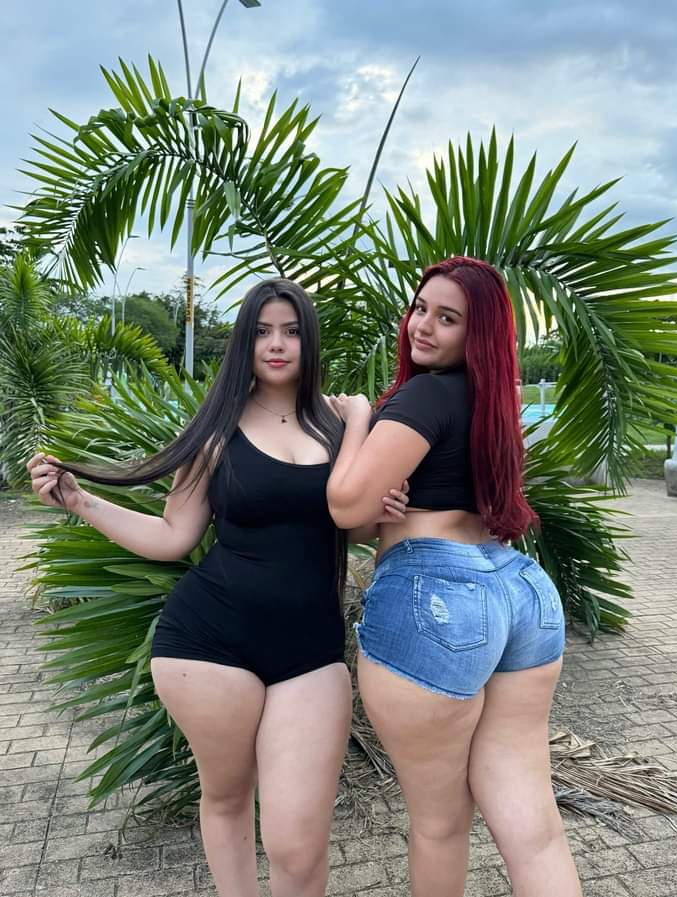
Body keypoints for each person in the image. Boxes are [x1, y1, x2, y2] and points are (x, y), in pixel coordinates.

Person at [27, 279, 408, 897]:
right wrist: (80, 501)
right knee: (227, 796)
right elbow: (173, 536)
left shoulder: (338, 428)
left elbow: (353, 524)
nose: (276, 344)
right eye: (262, 331)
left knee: (297, 843)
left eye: (291, 331)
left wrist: (375, 471)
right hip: (208, 644)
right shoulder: (216, 433)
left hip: (310, 653)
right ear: (243, 342)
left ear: (309, 340)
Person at [326, 257, 582, 897]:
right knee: (535, 828)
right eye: (421, 308)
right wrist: (382, 511)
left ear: (477, 334)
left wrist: (357, 419)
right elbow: (381, 517)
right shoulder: (494, 404)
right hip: (520, 592)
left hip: (436, 599)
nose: (423, 326)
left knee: (440, 824)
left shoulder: (424, 395)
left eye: (448, 318)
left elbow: (346, 507)